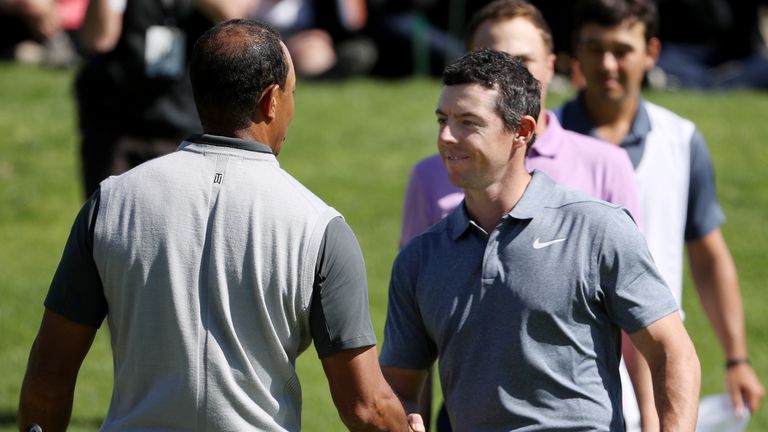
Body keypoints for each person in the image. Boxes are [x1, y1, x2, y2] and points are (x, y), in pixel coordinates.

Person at [18, 19, 423, 432]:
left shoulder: (110, 203)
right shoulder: (318, 226)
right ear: (270, 101)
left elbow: (49, 375)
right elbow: (367, 407)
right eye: (292, 93)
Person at [380, 48, 700, 431]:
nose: (447, 136)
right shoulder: (419, 259)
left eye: (468, 122)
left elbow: (672, 350)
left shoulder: (597, 229)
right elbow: (399, 387)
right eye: (442, 120)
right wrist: (404, 415)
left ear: (523, 131)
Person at [557, 0, 765, 426]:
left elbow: (708, 256)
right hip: (566, 366)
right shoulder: (545, 142)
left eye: (622, 49)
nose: (607, 64)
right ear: (575, 52)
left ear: (652, 52)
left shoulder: (680, 141)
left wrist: (736, 358)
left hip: (657, 359)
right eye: (594, 48)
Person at [74, 0, 252, 198]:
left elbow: (232, 13)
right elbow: (98, 39)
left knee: (182, 218)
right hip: (118, 123)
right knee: (108, 216)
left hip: (186, 123)